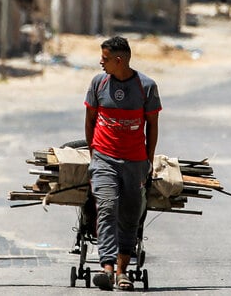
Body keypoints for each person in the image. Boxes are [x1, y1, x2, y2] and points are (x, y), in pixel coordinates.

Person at [84, 36, 161, 292]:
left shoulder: (146, 87)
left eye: (105, 59)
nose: (100, 62)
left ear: (119, 60)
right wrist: (95, 153)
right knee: (107, 208)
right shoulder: (99, 83)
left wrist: (148, 161)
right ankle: (106, 267)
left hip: (135, 163)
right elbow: (90, 119)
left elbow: (152, 125)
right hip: (104, 159)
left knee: (129, 216)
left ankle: (122, 272)